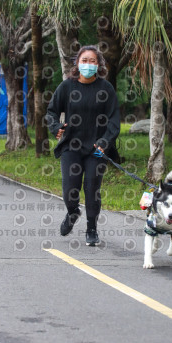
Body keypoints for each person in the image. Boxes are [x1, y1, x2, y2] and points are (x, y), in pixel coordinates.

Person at [46, 45, 120, 246]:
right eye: (84, 60)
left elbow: (114, 121)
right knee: (70, 189)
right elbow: (51, 112)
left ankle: (92, 229)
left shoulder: (106, 89)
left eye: (92, 61)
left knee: (92, 189)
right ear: (77, 63)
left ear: (99, 65)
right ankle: (72, 212)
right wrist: (56, 127)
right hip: (72, 147)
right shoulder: (67, 86)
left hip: (96, 149)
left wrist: (104, 142)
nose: (88, 64)